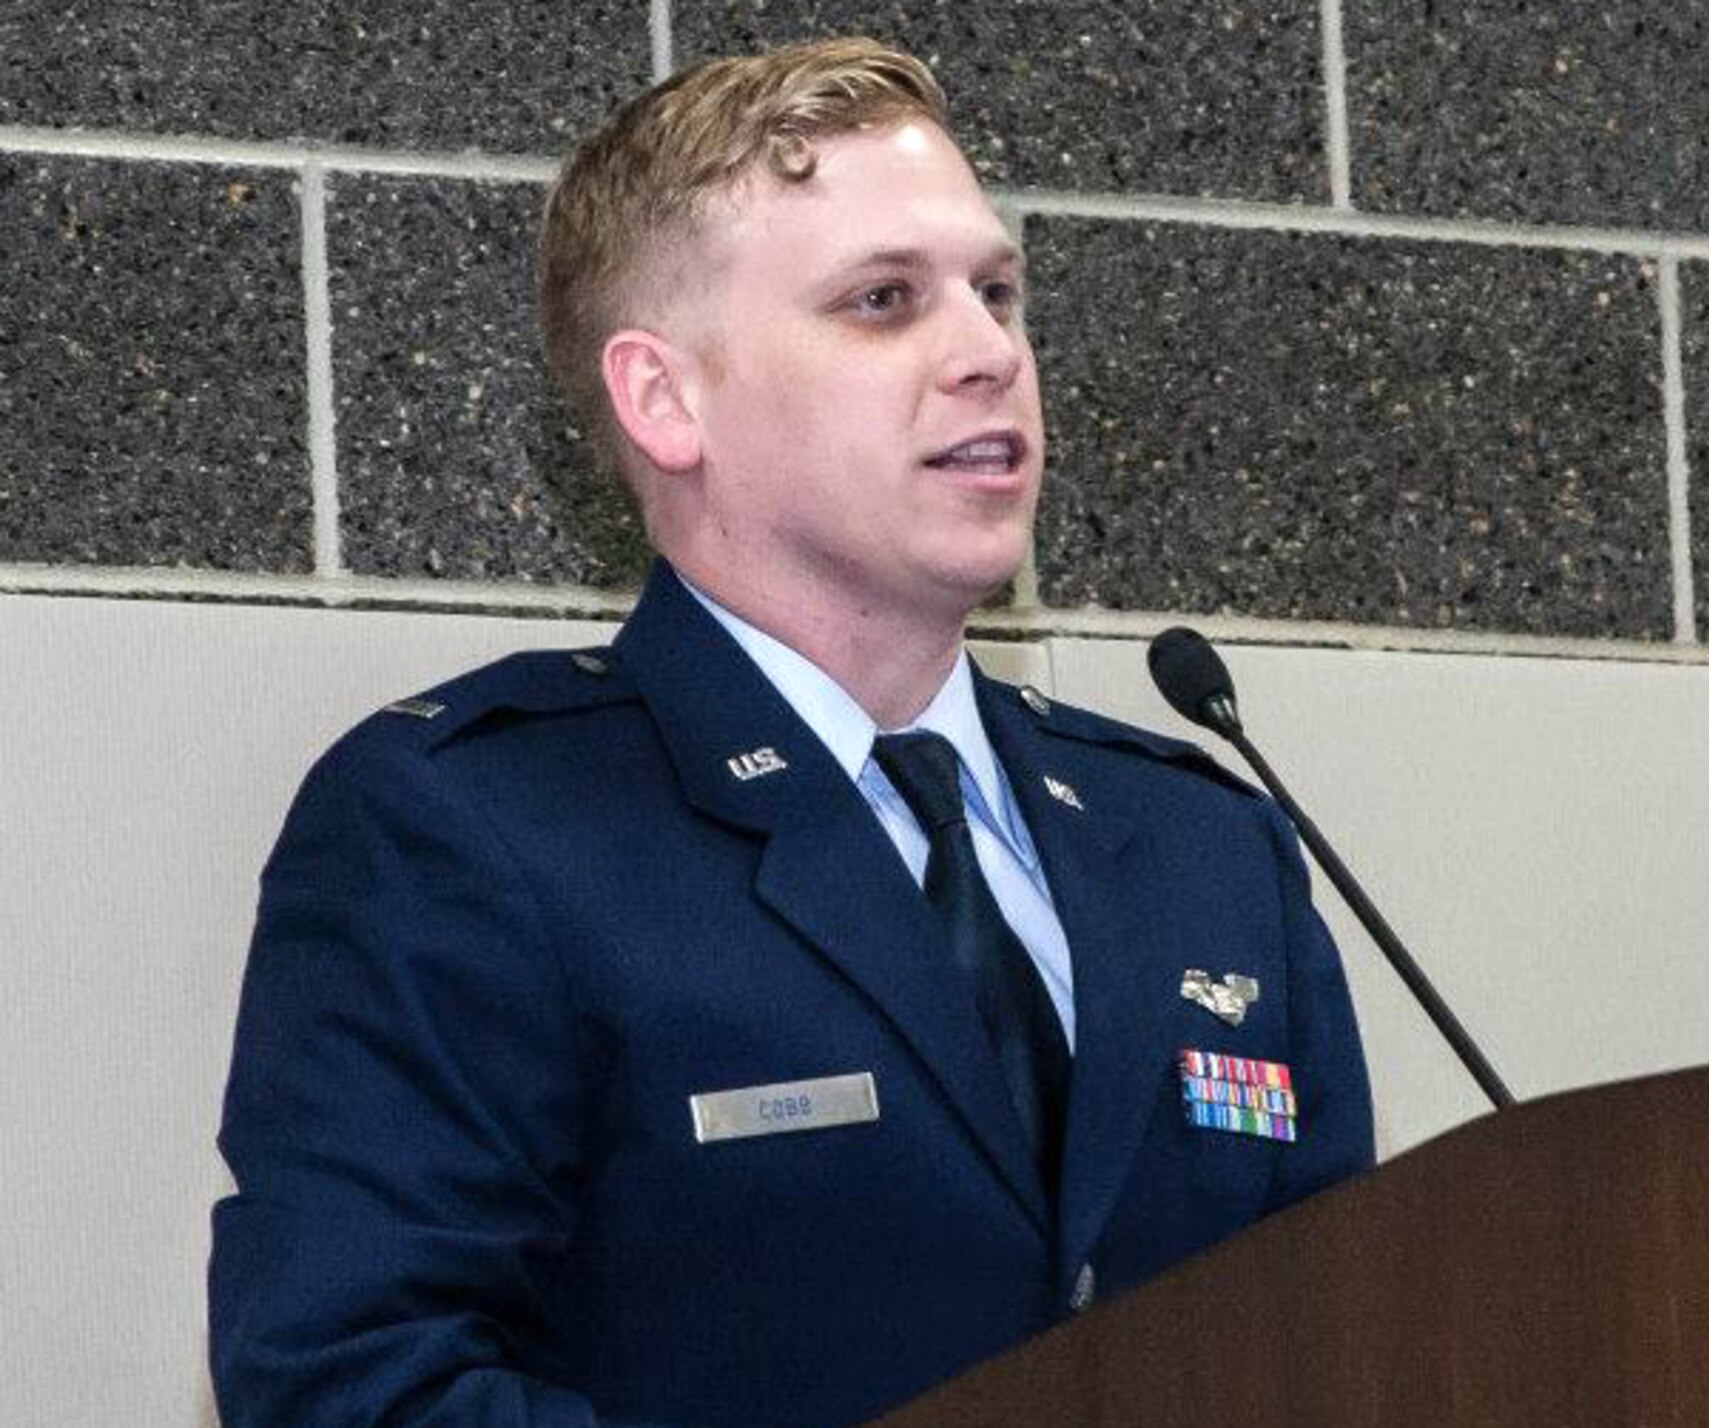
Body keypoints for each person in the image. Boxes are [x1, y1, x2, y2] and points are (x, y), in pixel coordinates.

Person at [209, 37, 1373, 1428]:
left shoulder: (1202, 847)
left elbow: (1357, 1344)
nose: (989, 354)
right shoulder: (477, 827)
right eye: (884, 302)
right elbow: (357, 1388)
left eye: (997, 293)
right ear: (664, 399)